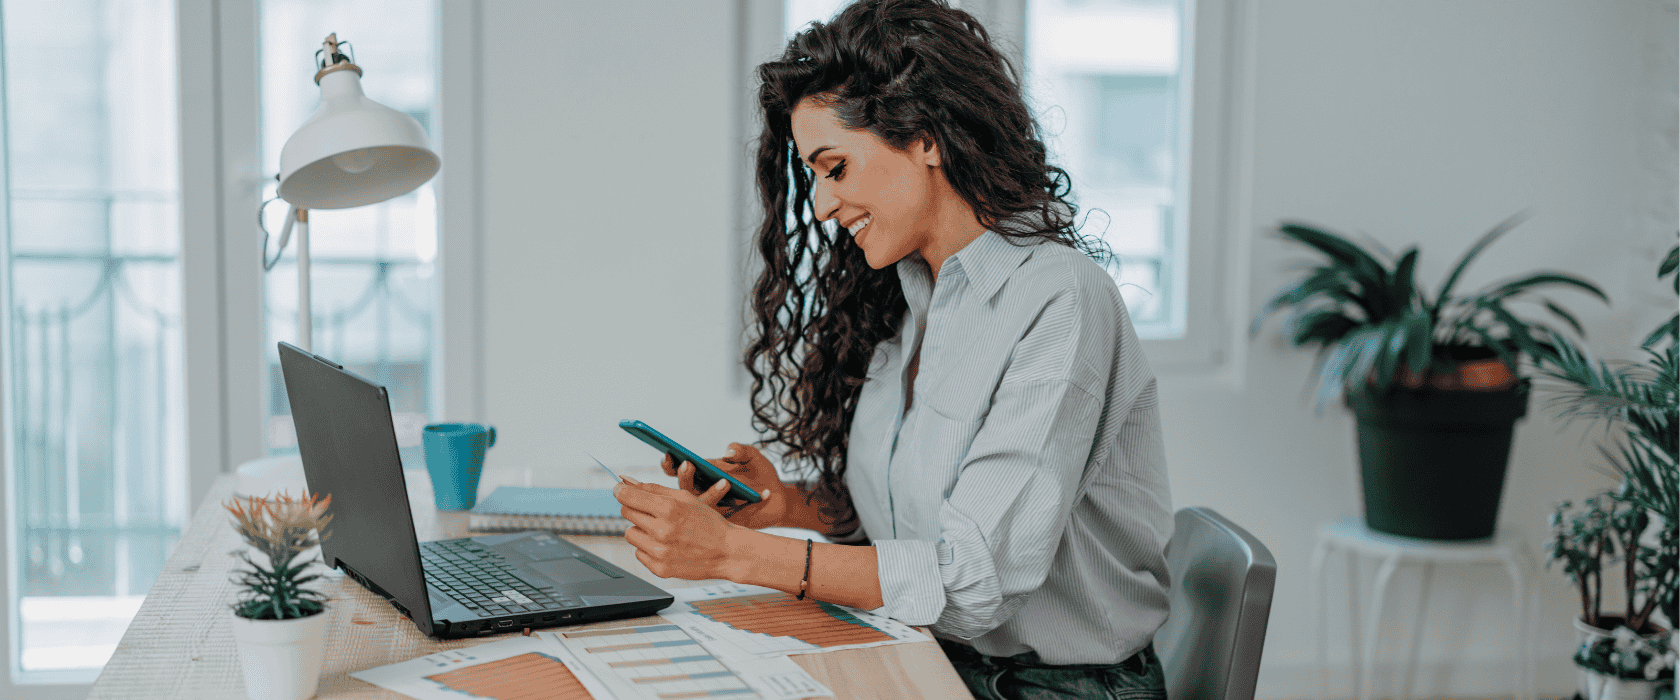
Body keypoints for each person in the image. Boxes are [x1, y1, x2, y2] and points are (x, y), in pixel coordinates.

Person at [611, 1, 1174, 697]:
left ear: (925, 138)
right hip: (934, 654)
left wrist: (732, 553)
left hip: (1052, 686)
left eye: (835, 167)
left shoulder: (1060, 302)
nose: (819, 205)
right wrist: (786, 505)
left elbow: (971, 582)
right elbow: (920, 518)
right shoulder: (911, 295)